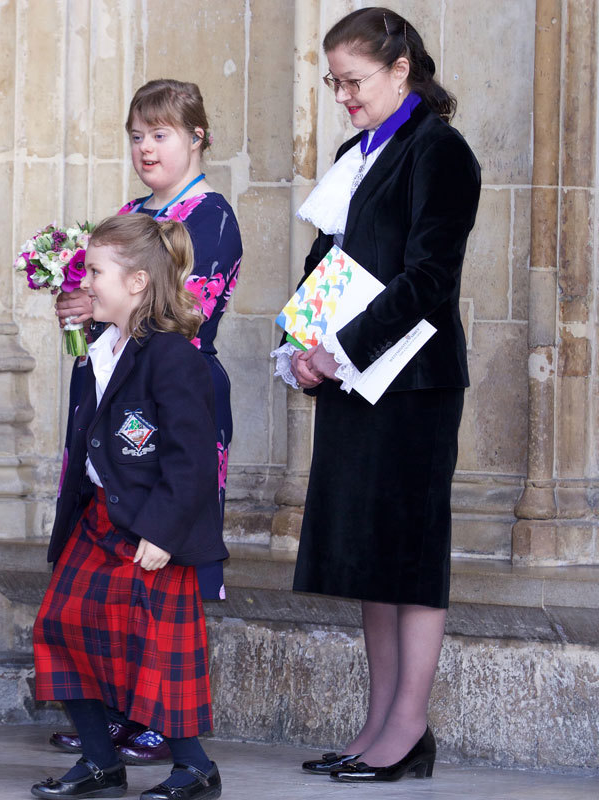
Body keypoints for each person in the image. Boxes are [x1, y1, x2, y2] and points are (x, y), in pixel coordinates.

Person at [270, 6, 481, 784]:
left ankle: (409, 728)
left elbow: (430, 280)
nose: (343, 96)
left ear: (401, 69)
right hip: (353, 378)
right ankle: (378, 724)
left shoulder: (441, 151)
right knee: (368, 556)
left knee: (412, 557)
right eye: (333, 83)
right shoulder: (357, 151)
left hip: (414, 382)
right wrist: (298, 345)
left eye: (353, 81)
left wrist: (341, 348)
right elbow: (328, 262)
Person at [51, 78, 241, 766]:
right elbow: (118, 299)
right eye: (136, 134)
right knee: (108, 567)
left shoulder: (210, 215)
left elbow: (181, 309)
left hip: (172, 389)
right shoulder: (133, 213)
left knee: (160, 566)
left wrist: (123, 315)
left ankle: (161, 718)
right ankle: (115, 710)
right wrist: (81, 308)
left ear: (197, 137)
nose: (145, 147)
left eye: (160, 134)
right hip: (119, 385)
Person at [32, 213, 228, 800]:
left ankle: (195, 768)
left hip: (149, 528)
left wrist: (164, 531)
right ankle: (100, 762)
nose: (85, 281)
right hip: (97, 521)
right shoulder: (98, 349)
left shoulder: (172, 357)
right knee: (62, 627)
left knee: (156, 651)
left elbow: (192, 460)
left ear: (138, 282)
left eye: (95, 271)